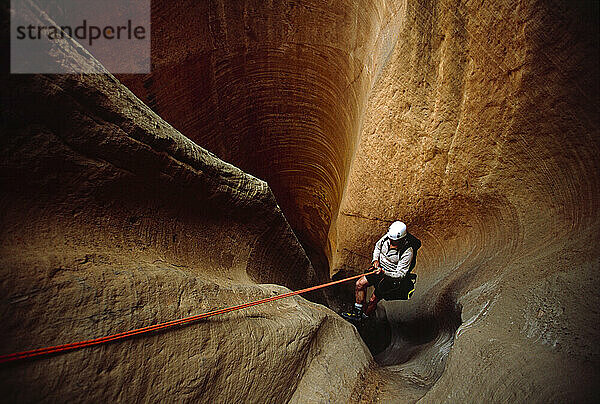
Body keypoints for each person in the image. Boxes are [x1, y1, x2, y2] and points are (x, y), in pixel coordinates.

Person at [341, 221, 417, 322]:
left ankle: (364, 319)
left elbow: (401, 274)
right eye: (391, 240)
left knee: (373, 300)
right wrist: (375, 260)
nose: (391, 243)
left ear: (402, 239)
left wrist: (384, 273)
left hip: (390, 278)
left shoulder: (408, 251)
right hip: (378, 269)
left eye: (395, 242)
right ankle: (357, 313)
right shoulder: (389, 237)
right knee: (359, 284)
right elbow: (377, 246)